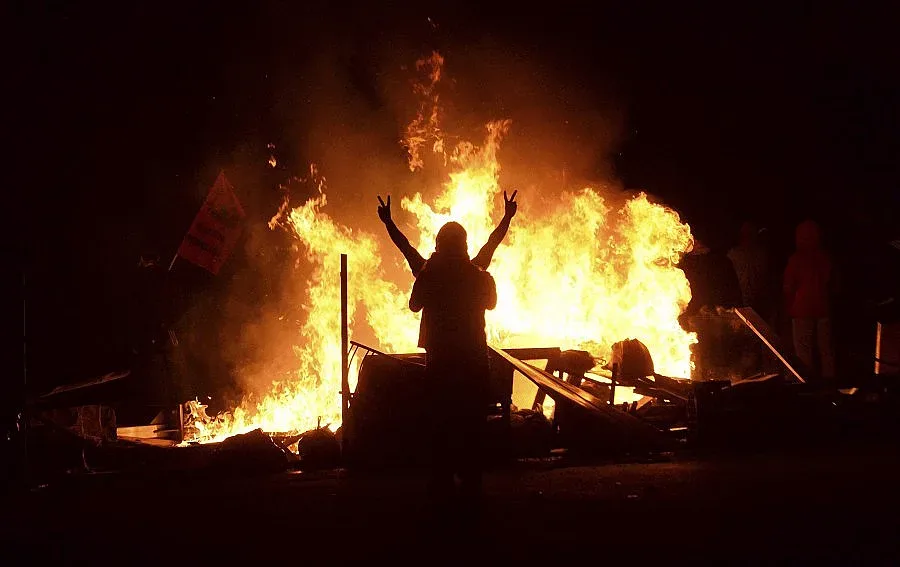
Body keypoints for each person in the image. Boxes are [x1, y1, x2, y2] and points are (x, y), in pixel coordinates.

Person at [409, 221, 497, 523]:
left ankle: (442, 490)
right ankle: (471, 492)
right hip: (473, 363)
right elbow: (489, 252)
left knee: (441, 426)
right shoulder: (478, 275)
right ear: (464, 245)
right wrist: (507, 220)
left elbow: (413, 304)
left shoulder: (431, 277)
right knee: (472, 427)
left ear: (439, 246)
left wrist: (390, 225)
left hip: (442, 365)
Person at [377, 190, 517, 276]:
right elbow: (492, 243)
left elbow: (405, 246)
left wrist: (388, 222)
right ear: (464, 246)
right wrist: (507, 217)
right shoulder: (474, 272)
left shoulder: (428, 273)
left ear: (438, 246)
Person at [784, 219, 836, 380]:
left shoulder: (796, 259)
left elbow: (788, 286)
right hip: (823, 310)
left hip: (802, 311)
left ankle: (806, 385)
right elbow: (832, 283)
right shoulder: (824, 258)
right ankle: (829, 384)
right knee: (826, 352)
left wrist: (788, 306)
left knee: (803, 352)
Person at [728, 221, 775, 321]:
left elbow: (766, 276)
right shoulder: (734, 254)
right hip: (741, 299)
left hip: (759, 299)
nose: (747, 237)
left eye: (750, 234)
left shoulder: (761, 254)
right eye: (745, 234)